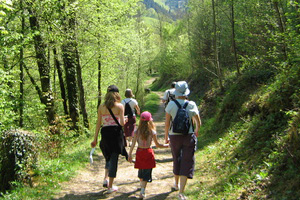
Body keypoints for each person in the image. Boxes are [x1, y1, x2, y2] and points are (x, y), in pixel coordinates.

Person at [164, 81, 201, 200]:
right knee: (186, 160)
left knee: (176, 158)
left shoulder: (171, 105)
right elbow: (198, 122)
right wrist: (196, 131)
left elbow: (167, 123)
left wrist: (166, 136)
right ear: (186, 92)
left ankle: (175, 183)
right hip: (188, 135)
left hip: (174, 136)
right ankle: (181, 192)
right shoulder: (192, 104)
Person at [91, 85, 127, 194]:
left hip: (105, 133)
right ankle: (110, 186)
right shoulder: (120, 106)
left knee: (108, 157)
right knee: (114, 159)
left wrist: (95, 139)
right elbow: (121, 123)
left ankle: (105, 178)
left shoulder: (101, 107)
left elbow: (98, 124)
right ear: (117, 94)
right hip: (116, 134)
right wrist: (124, 120)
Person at [128, 111, 169, 199]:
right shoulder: (152, 132)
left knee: (141, 171)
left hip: (139, 152)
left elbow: (133, 143)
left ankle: (142, 187)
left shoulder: (137, 131)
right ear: (150, 121)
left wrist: (130, 154)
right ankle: (142, 191)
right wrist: (167, 146)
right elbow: (158, 145)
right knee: (147, 172)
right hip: (148, 152)